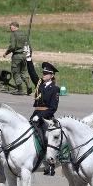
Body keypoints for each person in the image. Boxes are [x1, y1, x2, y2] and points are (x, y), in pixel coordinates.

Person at [26, 47, 60, 176]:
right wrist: (29, 58)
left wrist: (40, 117)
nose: (43, 75)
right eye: (43, 73)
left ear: (51, 75)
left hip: (46, 116)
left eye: (46, 74)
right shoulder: (39, 85)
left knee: (47, 138)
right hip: (36, 113)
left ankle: (51, 165)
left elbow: (53, 108)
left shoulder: (55, 89)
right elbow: (32, 73)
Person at [3, 21, 30, 95]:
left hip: (17, 56)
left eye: (10, 27)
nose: (10, 28)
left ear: (14, 27)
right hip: (24, 55)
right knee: (23, 72)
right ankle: (28, 86)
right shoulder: (24, 34)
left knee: (15, 72)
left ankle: (20, 89)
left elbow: (12, 46)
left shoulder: (13, 34)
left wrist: (6, 53)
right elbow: (28, 45)